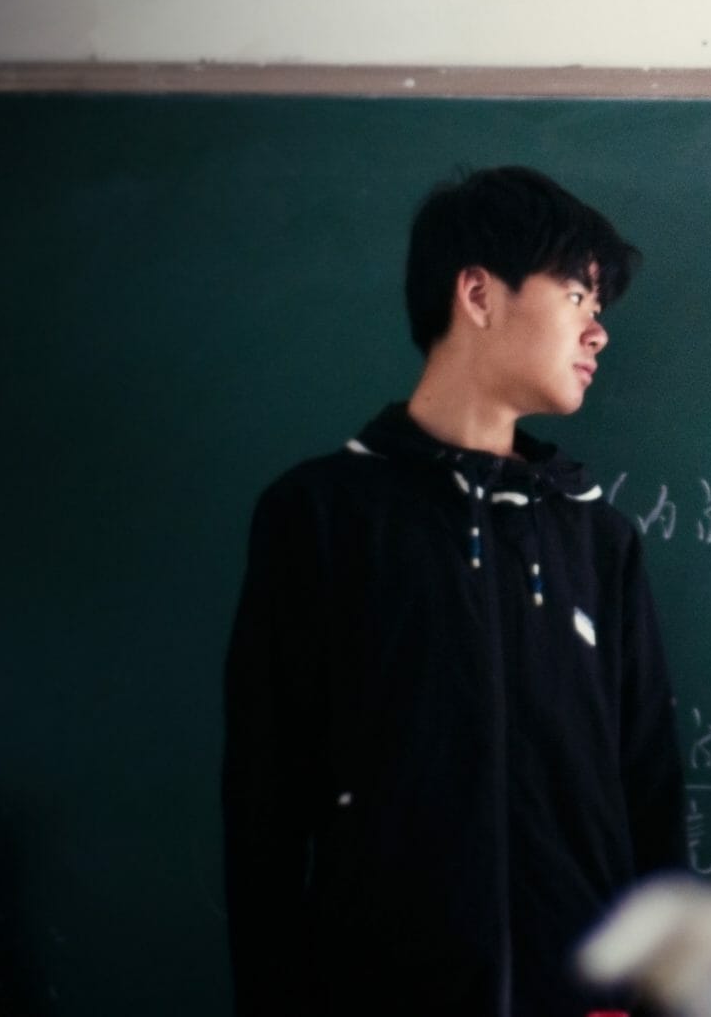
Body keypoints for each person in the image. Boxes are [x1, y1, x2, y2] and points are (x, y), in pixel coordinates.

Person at [223, 166, 686, 1016]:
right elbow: (264, 805)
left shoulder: (597, 539)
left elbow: (650, 798)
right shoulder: (321, 516)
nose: (598, 332)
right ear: (478, 291)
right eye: (579, 296)